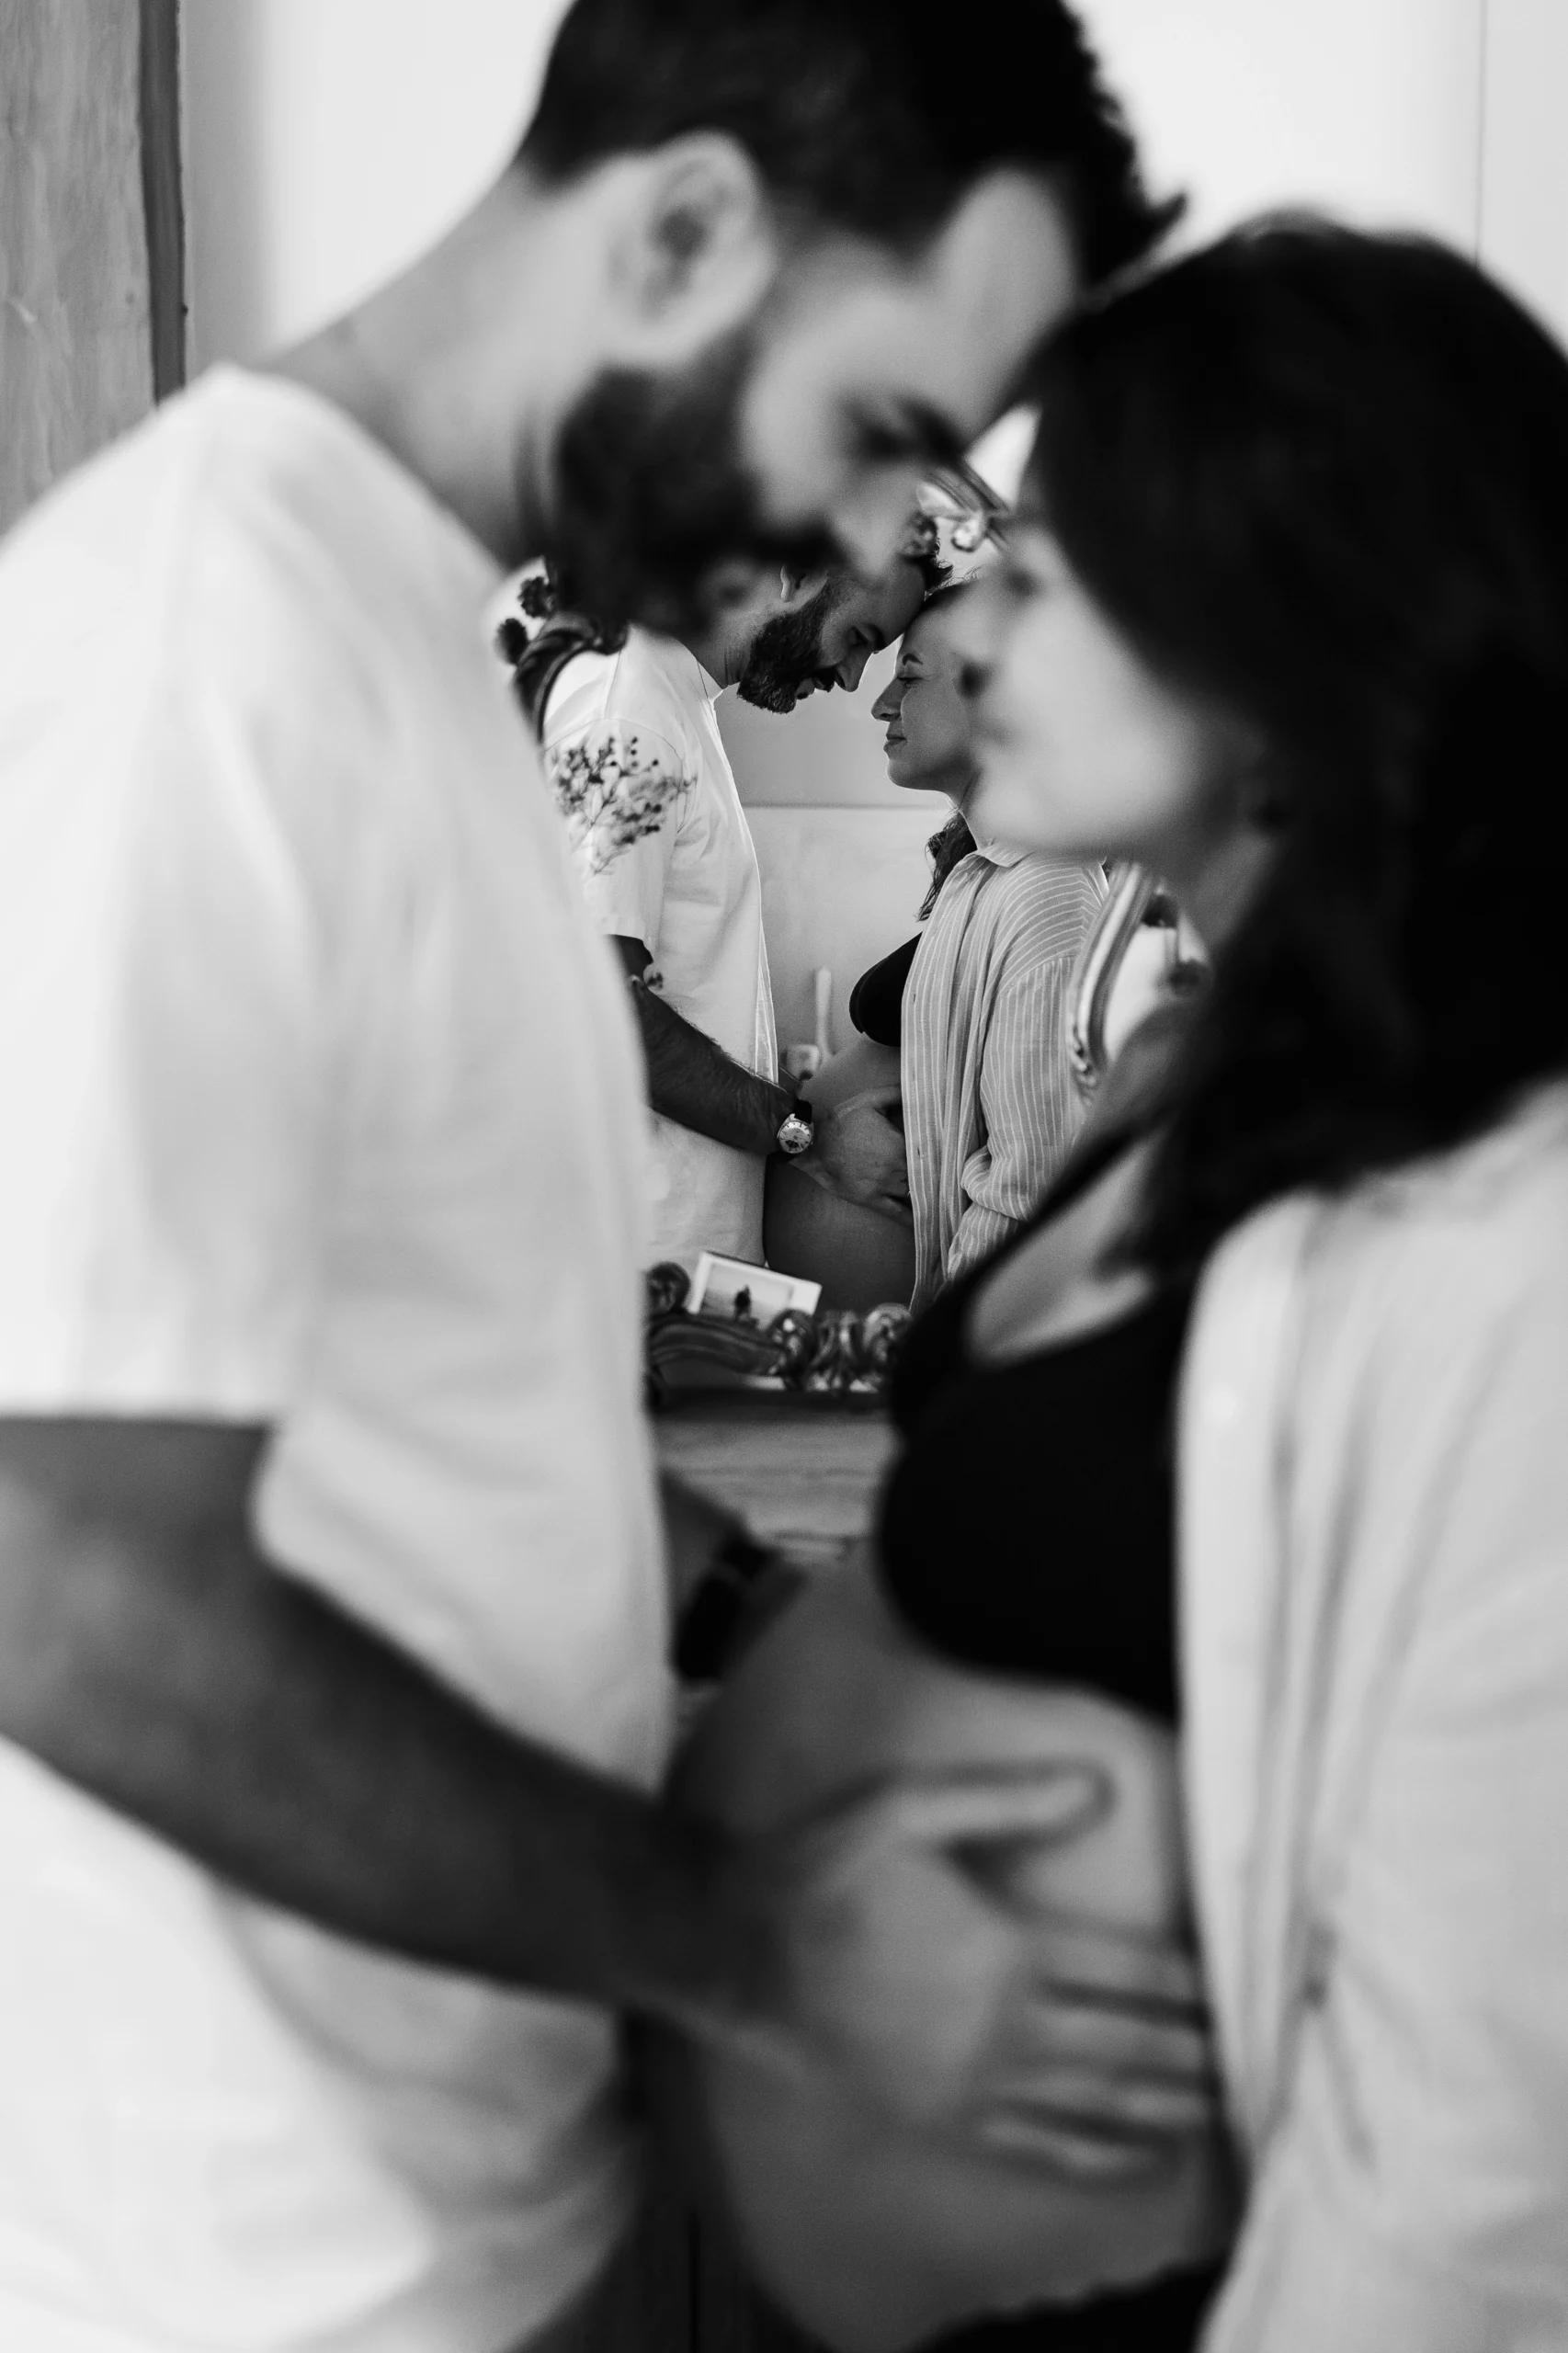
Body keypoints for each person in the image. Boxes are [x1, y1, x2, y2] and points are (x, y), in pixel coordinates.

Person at [0, 4, 1185, 2349]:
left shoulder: (429, 659)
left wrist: (751, 1615)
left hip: (498, 2164)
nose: (882, 551)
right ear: (676, 229)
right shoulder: (191, 660)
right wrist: (758, 1936)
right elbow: (68, 1590)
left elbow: (444, 1390)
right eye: (878, 430)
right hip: (271, 2268)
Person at [671, 218, 1568, 2353]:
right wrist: (737, 1614)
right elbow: (1140, 1610)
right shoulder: (1208, 1062)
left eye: (1048, 569)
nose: (963, 625)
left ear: (1280, 643)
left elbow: (1473, 2152)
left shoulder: (1502, 1228)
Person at [538, 549, 939, 1272]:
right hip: (630, 1263)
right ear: (792, 572)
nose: (852, 679)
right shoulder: (628, 713)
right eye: (859, 638)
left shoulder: (672, 699)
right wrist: (808, 1136)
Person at [869, 580, 1104, 1310]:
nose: (880, 705)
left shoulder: (1049, 898)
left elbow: (1027, 1196)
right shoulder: (976, 877)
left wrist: (939, 1355)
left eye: (908, 676)